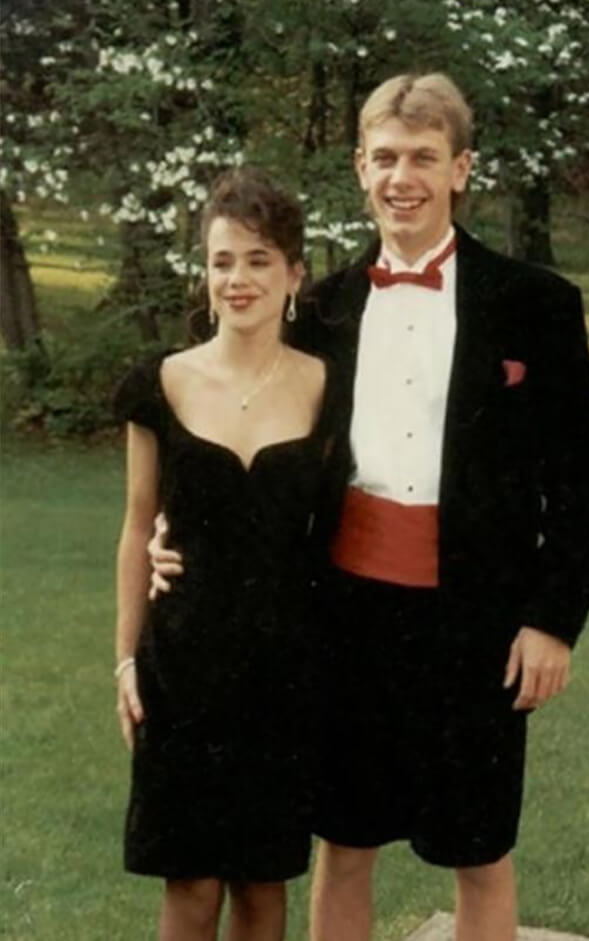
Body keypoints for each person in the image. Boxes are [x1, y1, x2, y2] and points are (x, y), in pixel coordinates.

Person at [150, 73, 589, 941]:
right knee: (345, 839)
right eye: (387, 157)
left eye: (424, 158)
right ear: (361, 167)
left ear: (461, 169)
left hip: (480, 619)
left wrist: (553, 621)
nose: (404, 177)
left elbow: (580, 484)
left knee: (479, 847)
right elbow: (244, 430)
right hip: (343, 614)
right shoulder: (321, 309)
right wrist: (172, 532)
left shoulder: (536, 304)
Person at [113, 166, 341, 941]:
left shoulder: (327, 388)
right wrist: (124, 660)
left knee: (262, 884)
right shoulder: (161, 383)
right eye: (222, 261)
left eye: (257, 260)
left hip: (285, 672)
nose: (238, 278)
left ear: (293, 274)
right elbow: (136, 525)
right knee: (190, 882)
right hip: (181, 666)